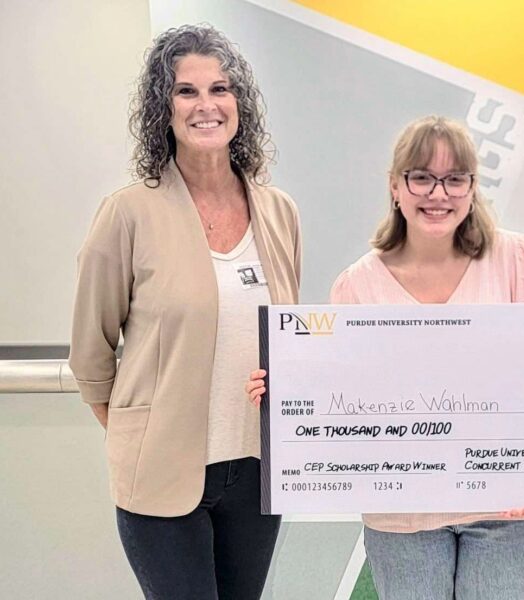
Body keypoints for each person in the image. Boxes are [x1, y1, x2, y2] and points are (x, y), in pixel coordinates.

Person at [247, 115, 524, 599]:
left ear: (472, 188)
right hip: (401, 515)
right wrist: (287, 396)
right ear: (396, 186)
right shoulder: (357, 284)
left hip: (505, 512)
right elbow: (340, 394)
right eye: (422, 177)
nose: (438, 194)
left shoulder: (516, 260)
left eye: (455, 179)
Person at [68, 25, 301, 599]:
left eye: (220, 89)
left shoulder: (279, 211)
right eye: (186, 91)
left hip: (257, 468)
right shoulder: (127, 213)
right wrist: (145, 434)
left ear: (239, 104)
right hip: (163, 475)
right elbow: (92, 355)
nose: (206, 106)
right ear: (162, 108)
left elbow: (288, 337)